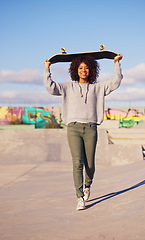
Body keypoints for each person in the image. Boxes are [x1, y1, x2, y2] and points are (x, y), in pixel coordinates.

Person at [43, 53, 123, 210]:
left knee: (90, 164)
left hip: (91, 128)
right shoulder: (68, 87)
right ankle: (80, 197)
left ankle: (88, 185)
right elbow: (51, 88)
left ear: (91, 69)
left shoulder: (98, 88)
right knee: (77, 162)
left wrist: (116, 63)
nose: (83, 70)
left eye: (86, 68)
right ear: (75, 70)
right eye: (80, 68)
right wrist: (47, 69)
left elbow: (116, 82)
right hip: (73, 128)